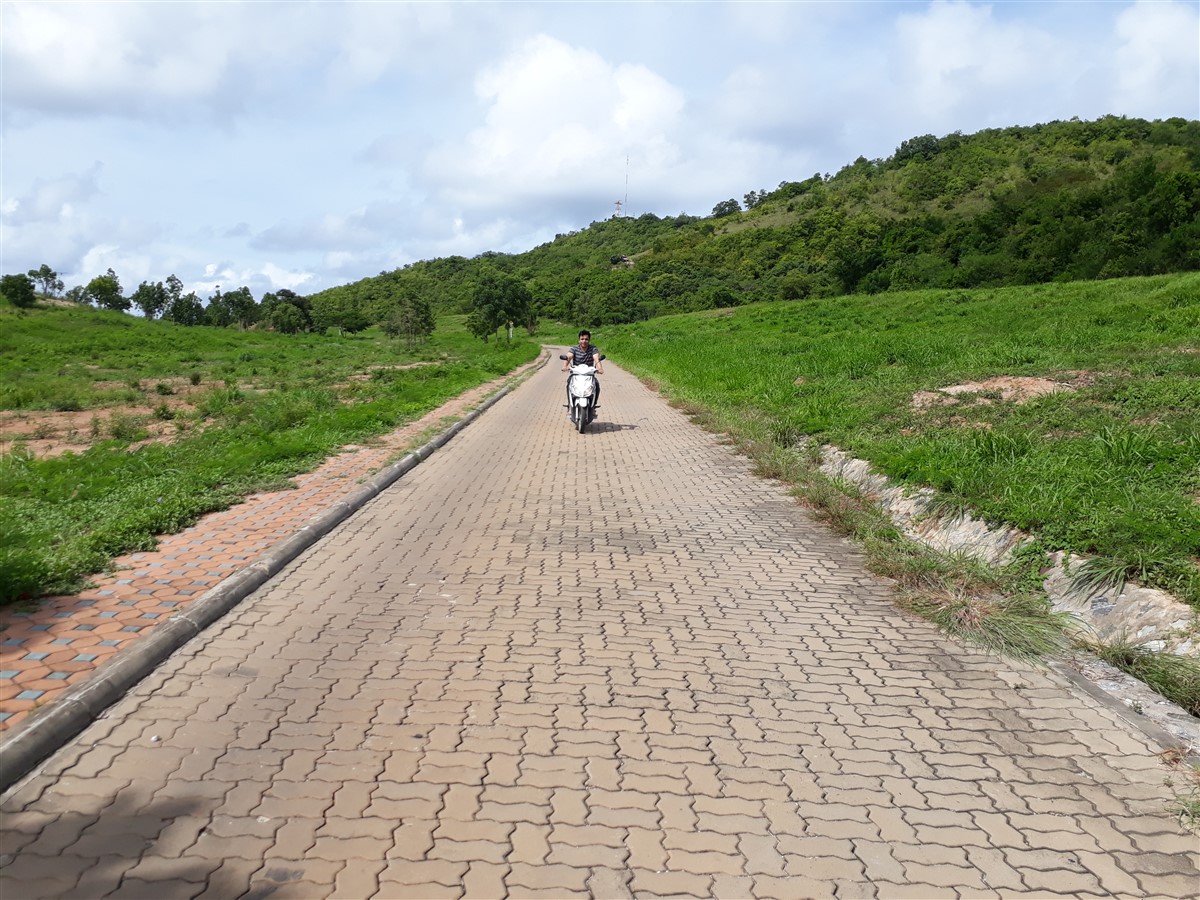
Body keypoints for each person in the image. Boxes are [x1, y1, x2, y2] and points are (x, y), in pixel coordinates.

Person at [562, 329, 603, 417]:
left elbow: (596, 358)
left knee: (596, 384)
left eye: (586, 339)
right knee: (569, 383)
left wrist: (600, 368)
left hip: (589, 374)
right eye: (582, 339)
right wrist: (565, 366)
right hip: (576, 374)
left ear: (589, 340)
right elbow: (569, 356)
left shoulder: (593, 349)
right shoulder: (574, 348)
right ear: (579, 340)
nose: (584, 341)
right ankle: (570, 405)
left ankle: (593, 406)